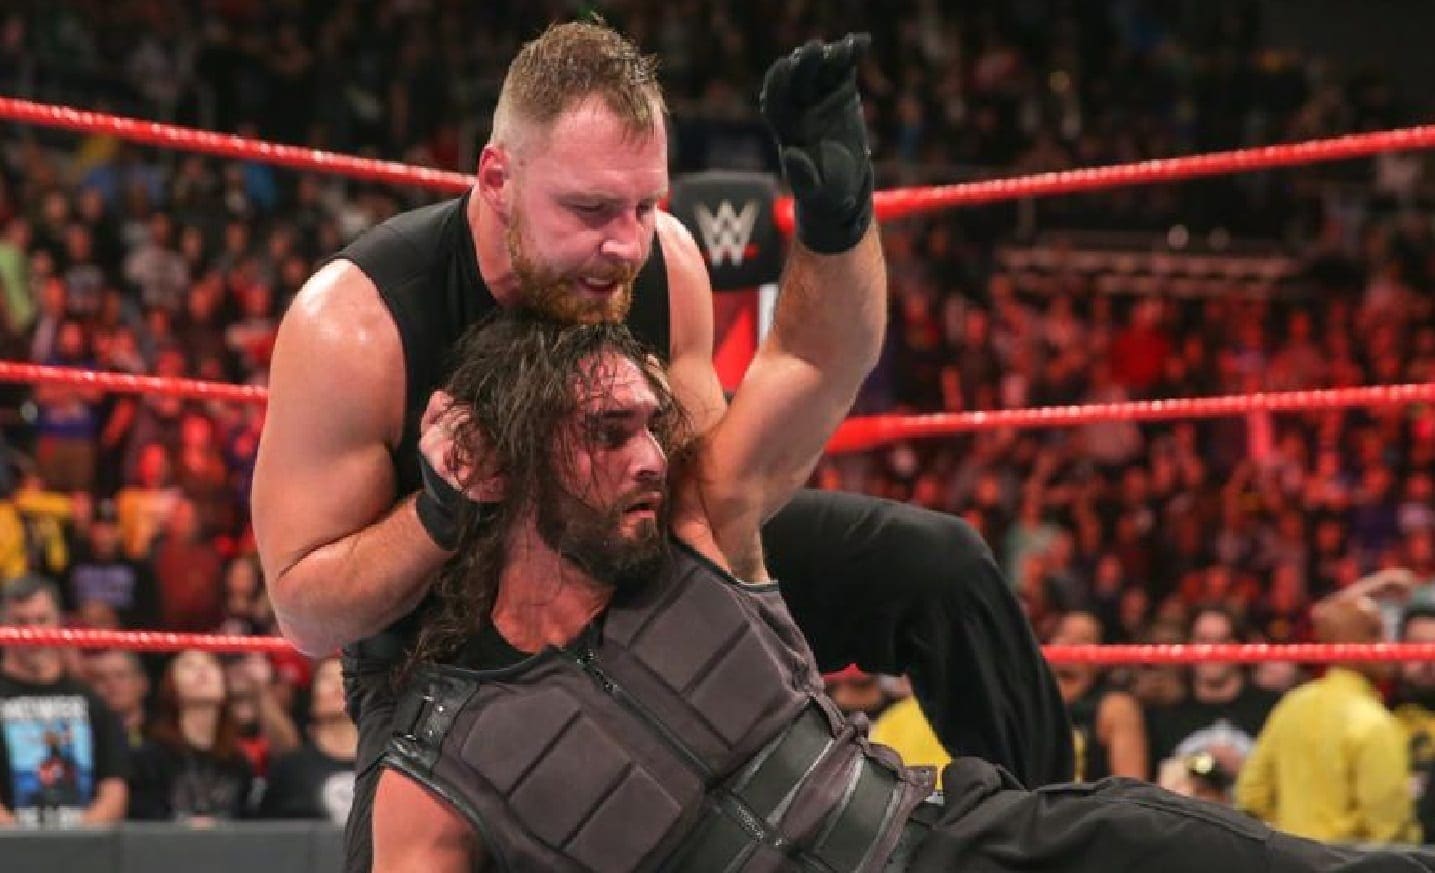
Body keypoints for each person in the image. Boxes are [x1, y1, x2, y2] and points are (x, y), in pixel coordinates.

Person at [253, 20, 1070, 873]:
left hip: (631, 571)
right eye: (589, 210)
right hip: (446, 655)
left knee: (933, 565)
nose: (622, 244)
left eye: (643, 205)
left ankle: (1039, 840)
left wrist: (836, 224)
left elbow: (707, 495)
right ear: (497, 178)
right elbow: (306, 611)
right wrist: (436, 513)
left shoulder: (662, 264)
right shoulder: (358, 325)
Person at [374, 312, 1434, 872]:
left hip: (932, 843)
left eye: (651, 424)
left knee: (1147, 835)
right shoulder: (438, 756)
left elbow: (815, 356)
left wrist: (833, 212)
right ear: (510, 460)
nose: (653, 456)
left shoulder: (699, 534)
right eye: (609, 433)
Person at [1235, 590, 1420, 844]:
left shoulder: (1291, 705)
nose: (1386, 645)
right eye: (1375, 633)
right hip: (1351, 860)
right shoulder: (1373, 723)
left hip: (1290, 857)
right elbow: (1390, 828)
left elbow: (1251, 795)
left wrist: (1291, 839)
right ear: (1347, 642)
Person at [0, 575, 129, 827]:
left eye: (42, 620)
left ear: (58, 623)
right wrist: (20, 840)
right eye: (21, 622)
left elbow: (114, 787)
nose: (33, 632)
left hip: (85, 845)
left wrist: (78, 840)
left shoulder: (90, 699)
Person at [1146, 605, 1279, 785]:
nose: (1212, 650)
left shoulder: (1272, 710)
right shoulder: (1164, 718)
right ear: (1189, 645)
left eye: (1222, 641)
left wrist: (1246, 770)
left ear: (1239, 646)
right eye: (1203, 640)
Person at [127, 649, 254, 822]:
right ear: (171, 685)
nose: (202, 671)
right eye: (189, 666)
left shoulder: (237, 761)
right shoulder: (150, 758)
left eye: (211, 664)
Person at [257, 657, 357, 824]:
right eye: (327, 678)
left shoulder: (386, 766)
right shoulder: (289, 769)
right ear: (311, 697)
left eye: (346, 676)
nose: (338, 685)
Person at [1050, 610, 1147, 781]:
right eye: (1063, 634)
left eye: (1084, 639)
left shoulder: (1115, 708)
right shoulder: (1028, 702)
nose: (1069, 644)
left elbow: (1130, 785)